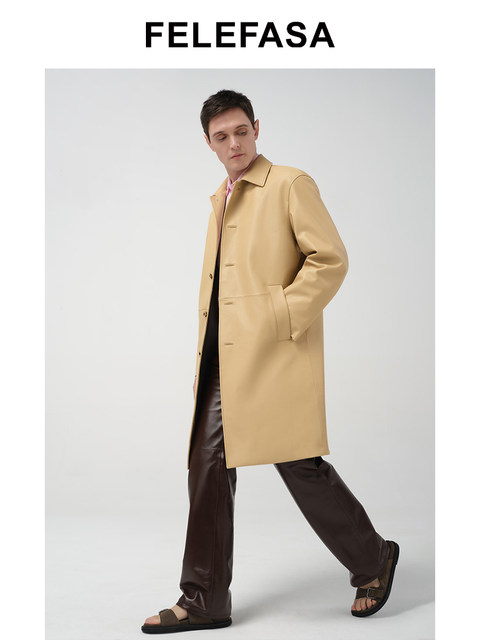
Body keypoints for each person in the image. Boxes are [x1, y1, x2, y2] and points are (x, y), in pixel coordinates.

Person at [142, 89, 399, 634]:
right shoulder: (220, 198)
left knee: (298, 463)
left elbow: (330, 260)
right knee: (208, 467)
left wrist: (280, 315)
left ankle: (374, 558)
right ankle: (205, 599)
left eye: (241, 131)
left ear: (256, 128)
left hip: (274, 351)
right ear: (208, 143)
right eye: (221, 136)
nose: (234, 143)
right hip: (224, 355)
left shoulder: (289, 183)